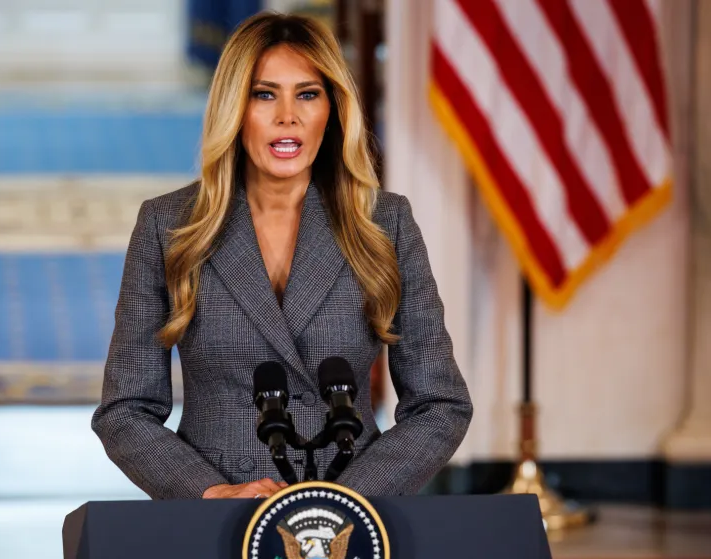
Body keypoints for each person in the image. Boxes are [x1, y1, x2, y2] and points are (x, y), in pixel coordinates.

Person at [91, 12, 472, 500]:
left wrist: (350, 498)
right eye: (264, 94)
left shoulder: (385, 223)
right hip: (216, 520)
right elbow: (124, 410)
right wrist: (209, 493)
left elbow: (441, 403)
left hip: (352, 521)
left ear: (332, 108)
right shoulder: (168, 226)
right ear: (235, 106)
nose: (287, 116)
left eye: (308, 94)